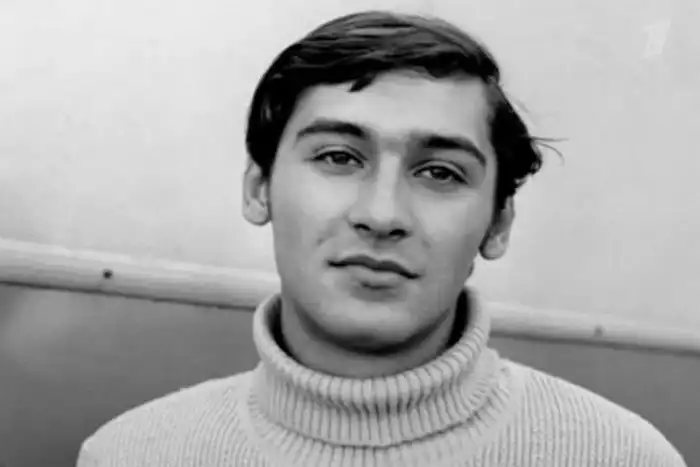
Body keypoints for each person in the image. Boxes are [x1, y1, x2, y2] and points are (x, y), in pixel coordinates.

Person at [77, 10, 687, 467]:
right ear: (260, 189)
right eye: (339, 157)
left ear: (498, 224)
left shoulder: (621, 457)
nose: (382, 214)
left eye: (440, 173)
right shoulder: (131, 455)